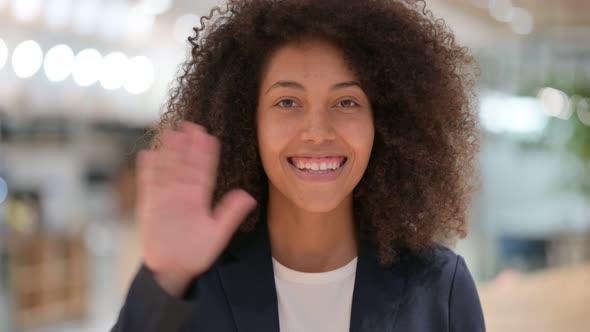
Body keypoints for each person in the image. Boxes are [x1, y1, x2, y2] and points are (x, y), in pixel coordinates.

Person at [112, 0, 485, 331]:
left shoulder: (439, 287)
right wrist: (167, 278)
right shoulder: (192, 285)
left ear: (384, 123)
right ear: (247, 121)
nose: (318, 132)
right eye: (288, 102)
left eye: (346, 102)